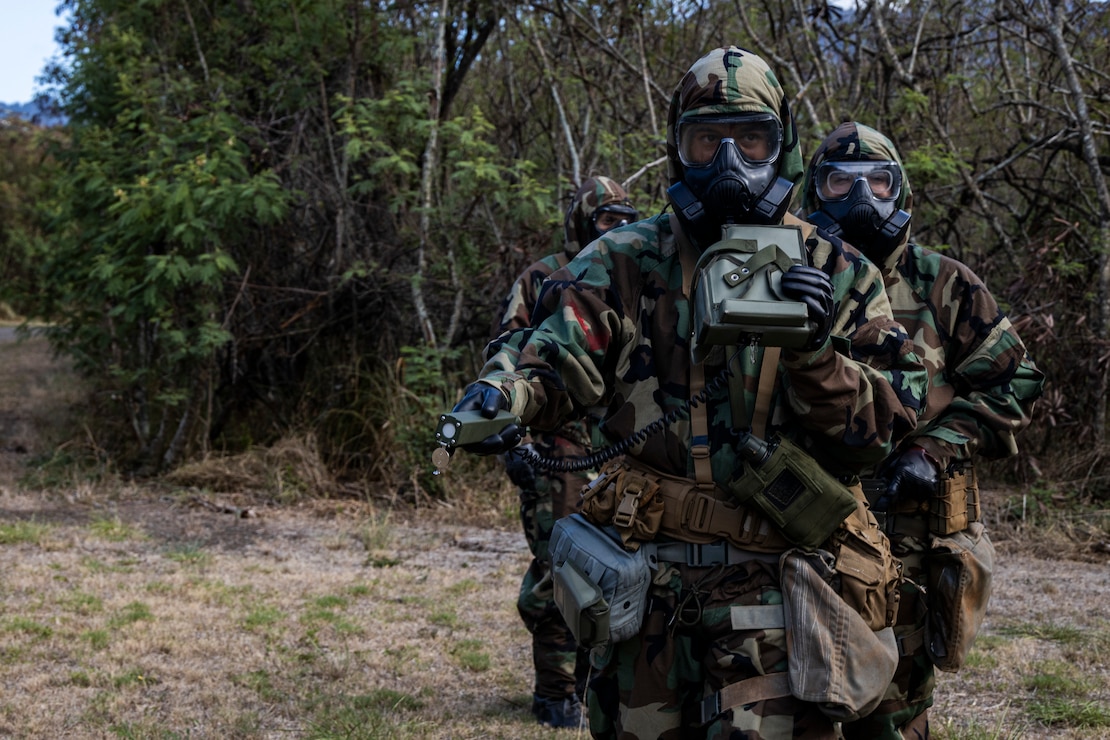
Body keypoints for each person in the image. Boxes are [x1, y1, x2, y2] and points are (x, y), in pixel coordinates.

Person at [453, 46, 928, 739]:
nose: (730, 165)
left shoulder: (839, 270)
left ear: (782, 146)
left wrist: (815, 354)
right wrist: (503, 398)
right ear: (679, 149)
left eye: (752, 140)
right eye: (707, 141)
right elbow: (553, 356)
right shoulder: (620, 261)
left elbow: (885, 428)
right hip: (644, 588)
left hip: (780, 584)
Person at [800, 121, 1046, 739]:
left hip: (906, 525)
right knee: (798, 692)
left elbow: (1016, 381)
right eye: (839, 182)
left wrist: (935, 449)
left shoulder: (944, 282)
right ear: (812, 193)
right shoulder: (787, 275)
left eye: (877, 182)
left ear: (900, 191)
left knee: (895, 701)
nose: (860, 199)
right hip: (803, 518)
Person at [490, 176, 638, 728]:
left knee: (620, 568)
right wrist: (516, 436)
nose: (617, 231)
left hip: (619, 446)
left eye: (626, 220)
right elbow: (508, 355)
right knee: (561, 566)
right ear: (581, 220)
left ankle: (597, 683)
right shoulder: (543, 277)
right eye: (606, 221)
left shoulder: (633, 271)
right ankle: (556, 690)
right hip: (556, 446)